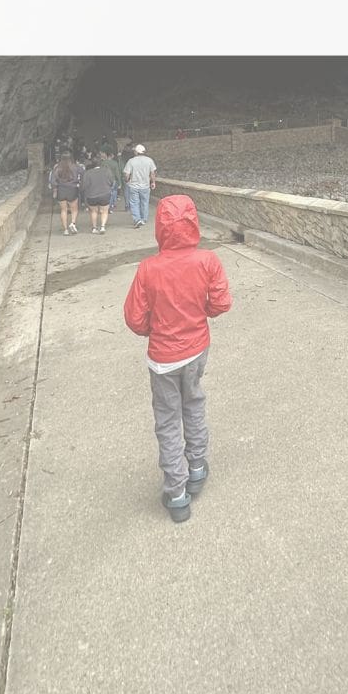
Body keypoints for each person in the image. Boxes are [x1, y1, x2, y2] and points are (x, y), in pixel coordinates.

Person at [123, 195, 233, 523]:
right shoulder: (208, 261)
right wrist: (202, 313)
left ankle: (177, 492)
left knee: (168, 419)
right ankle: (197, 467)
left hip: (163, 357)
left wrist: (153, 330)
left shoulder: (148, 269)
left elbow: (134, 318)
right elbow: (221, 302)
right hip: (197, 349)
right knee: (194, 405)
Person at [124, 143, 157, 229]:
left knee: (134, 203)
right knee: (144, 202)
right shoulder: (150, 160)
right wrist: (153, 182)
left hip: (134, 186)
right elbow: (152, 173)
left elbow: (127, 174)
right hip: (145, 186)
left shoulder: (131, 161)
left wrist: (127, 180)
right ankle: (144, 219)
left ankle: (137, 219)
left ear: (136, 152)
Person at [50, 152, 81, 235]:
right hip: (72, 189)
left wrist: (55, 189)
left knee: (63, 210)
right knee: (74, 209)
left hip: (61, 190)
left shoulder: (57, 168)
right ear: (71, 158)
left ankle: (65, 230)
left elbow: (53, 181)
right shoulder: (75, 167)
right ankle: (73, 223)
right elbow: (82, 174)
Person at [81, 158, 114, 234]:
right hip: (105, 194)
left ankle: (94, 228)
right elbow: (111, 181)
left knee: (93, 211)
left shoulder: (88, 173)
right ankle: (102, 227)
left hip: (92, 195)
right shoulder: (107, 171)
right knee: (104, 211)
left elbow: (84, 185)